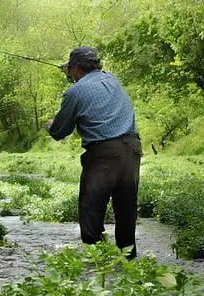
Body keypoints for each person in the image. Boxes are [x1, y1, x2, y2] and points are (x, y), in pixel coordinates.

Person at [44, 46, 142, 258]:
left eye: (71, 69)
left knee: (91, 212)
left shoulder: (73, 92)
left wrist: (50, 125)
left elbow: (60, 132)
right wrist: (70, 72)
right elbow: (90, 81)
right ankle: (128, 262)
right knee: (126, 212)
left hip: (104, 154)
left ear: (76, 68)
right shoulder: (112, 79)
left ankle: (99, 260)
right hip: (133, 150)